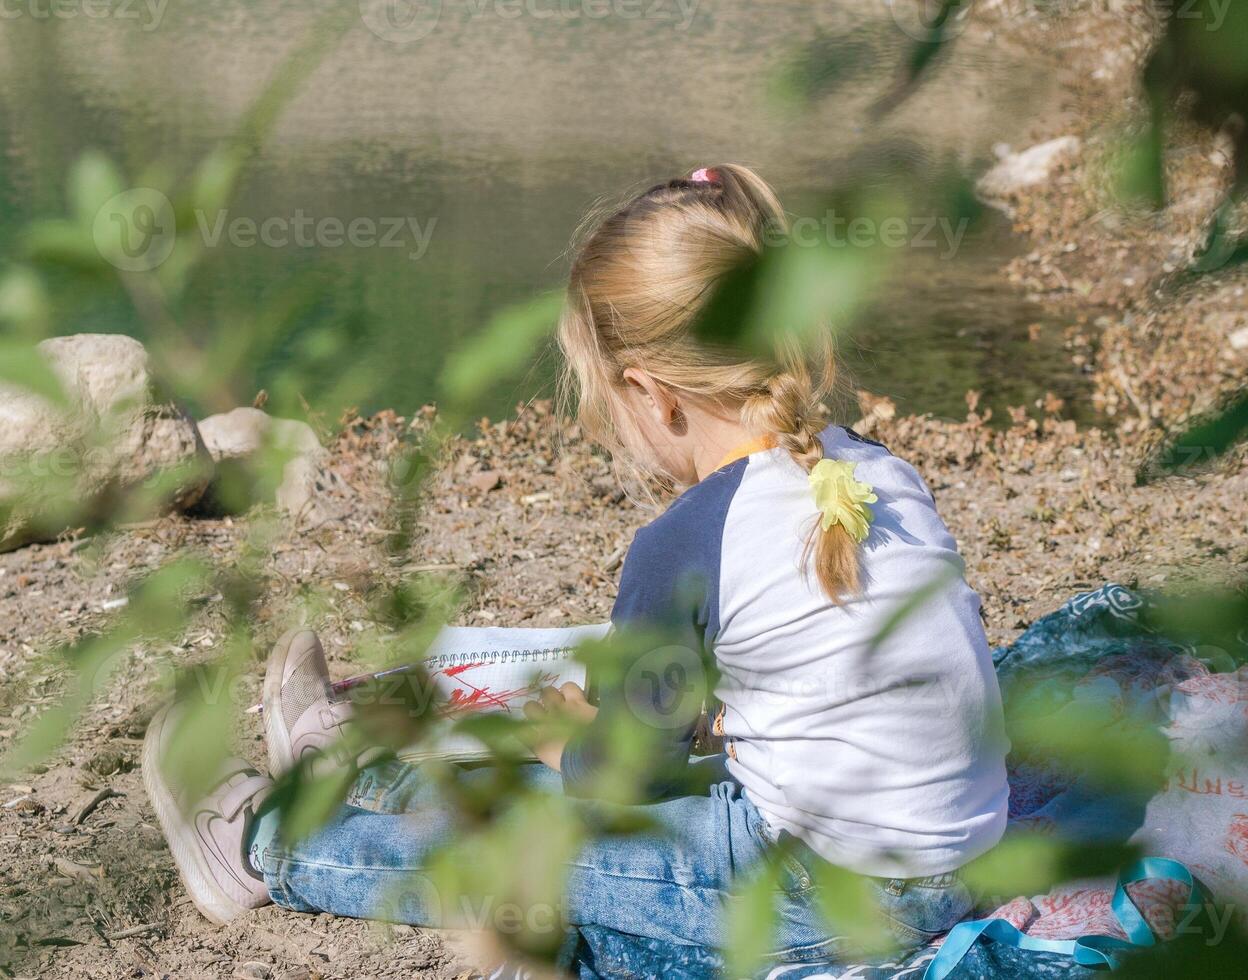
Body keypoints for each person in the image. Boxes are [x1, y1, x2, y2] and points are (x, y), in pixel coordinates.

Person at [142, 164, 1010, 962]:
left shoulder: (688, 543)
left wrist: (571, 751)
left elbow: (625, 775)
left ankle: (258, 849)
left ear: (651, 393)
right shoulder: (867, 467)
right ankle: (366, 777)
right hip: (963, 854)